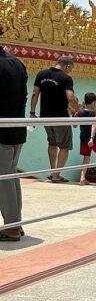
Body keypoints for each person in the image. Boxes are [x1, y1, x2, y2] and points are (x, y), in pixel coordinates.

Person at [30, 54, 78, 182]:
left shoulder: (41, 74)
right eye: (71, 68)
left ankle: (53, 172)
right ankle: (56, 174)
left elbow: (35, 94)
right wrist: (77, 111)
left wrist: (32, 112)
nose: (70, 71)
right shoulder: (66, 78)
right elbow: (71, 97)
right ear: (67, 65)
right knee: (64, 146)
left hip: (45, 117)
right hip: (60, 117)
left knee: (52, 143)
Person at [0, 31, 28, 241]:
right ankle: (16, 223)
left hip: (2, 128)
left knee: (4, 177)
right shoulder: (17, 63)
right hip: (17, 126)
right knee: (10, 175)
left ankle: (11, 227)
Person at [75, 92, 96, 184]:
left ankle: (82, 178)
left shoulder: (79, 113)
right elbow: (94, 124)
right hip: (95, 140)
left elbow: (74, 125)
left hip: (84, 139)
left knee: (86, 158)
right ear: (93, 103)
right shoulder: (95, 114)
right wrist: (92, 138)